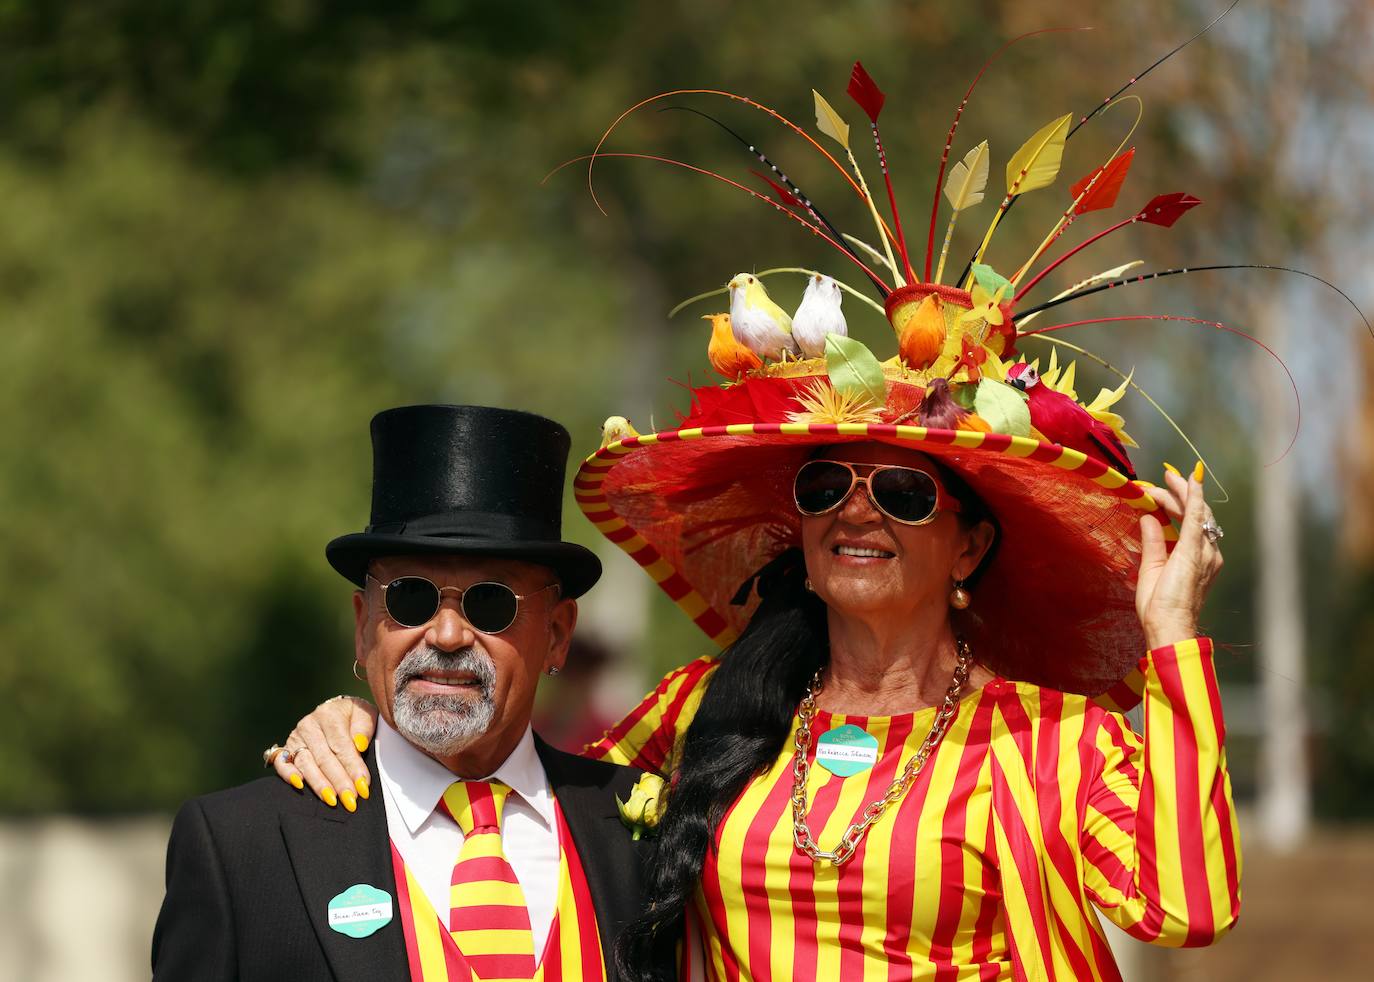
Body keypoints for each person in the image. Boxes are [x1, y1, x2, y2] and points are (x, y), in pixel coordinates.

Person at [268, 47, 1247, 981]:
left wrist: (1171, 635)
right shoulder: (704, 711)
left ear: (971, 542)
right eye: (827, 484)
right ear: (800, 524)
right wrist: (362, 729)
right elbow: (502, 787)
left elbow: (1188, 905)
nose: (857, 511)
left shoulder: (1052, 739)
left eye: (902, 492)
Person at [153, 404, 653, 982]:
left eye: (491, 602)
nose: (445, 635)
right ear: (364, 627)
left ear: (559, 635)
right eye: (409, 598)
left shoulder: (646, 837)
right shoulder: (242, 849)